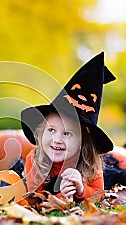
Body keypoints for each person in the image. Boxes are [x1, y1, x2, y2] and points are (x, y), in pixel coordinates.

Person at [20, 52, 116, 201]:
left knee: (118, 175)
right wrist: (61, 196)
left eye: (67, 134)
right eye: (51, 130)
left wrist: (81, 190)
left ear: (82, 141)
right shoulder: (34, 159)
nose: (57, 139)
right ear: (40, 133)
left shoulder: (91, 162)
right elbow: (33, 197)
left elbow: (99, 194)